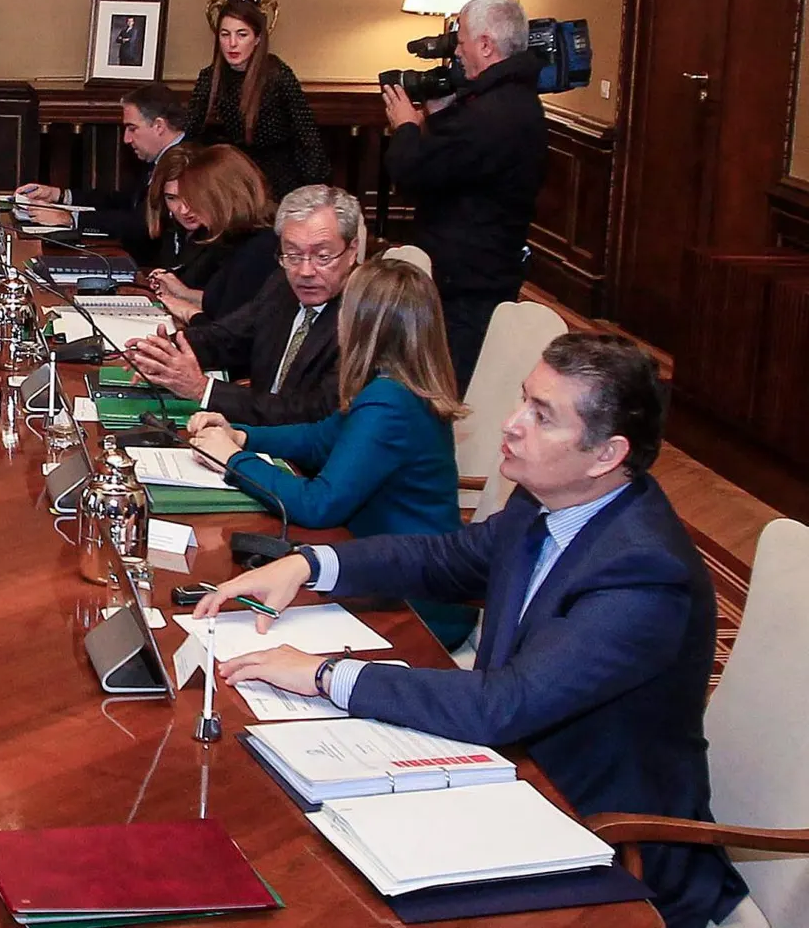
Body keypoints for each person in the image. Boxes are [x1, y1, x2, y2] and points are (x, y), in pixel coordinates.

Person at [199, 333, 748, 928]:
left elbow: (502, 704)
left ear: (606, 455)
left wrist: (326, 673)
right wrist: (310, 564)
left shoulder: (643, 573)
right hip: (509, 773)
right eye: (523, 402)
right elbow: (445, 559)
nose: (511, 425)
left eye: (542, 417)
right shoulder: (546, 501)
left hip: (603, 837)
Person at [186, 257, 477, 648]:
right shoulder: (389, 385)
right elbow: (317, 438)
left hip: (415, 604)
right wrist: (242, 437)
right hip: (375, 568)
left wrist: (234, 462)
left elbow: (319, 505)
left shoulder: (390, 402)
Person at [383, 0, 548, 392]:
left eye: (462, 42)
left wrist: (406, 125)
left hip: (467, 280)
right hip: (485, 266)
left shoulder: (491, 115)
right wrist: (439, 116)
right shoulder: (513, 100)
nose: (456, 52)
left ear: (487, 45)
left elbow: (414, 172)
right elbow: (458, 165)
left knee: (447, 385)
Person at [127, 184, 360, 426]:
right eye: (292, 254)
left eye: (322, 257)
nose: (305, 271)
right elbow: (231, 336)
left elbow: (309, 412)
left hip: (299, 454)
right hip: (251, 431)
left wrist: (202, 389)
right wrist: (165, 350)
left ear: (352, 250)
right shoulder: (283, 283)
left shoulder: (367, 315)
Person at [14, 83, 189, 264]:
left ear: (159, 126)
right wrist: (60, 195)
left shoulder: (186, 161)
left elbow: (143, 224)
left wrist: (71, 219)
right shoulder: (159, 157)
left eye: (132, 128)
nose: (126, 139)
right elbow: (124, 201)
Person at [183, 0, 330, 202]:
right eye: (225, 35)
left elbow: (307, 137)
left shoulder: (277, 75)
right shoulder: (209, 77)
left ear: (257, 38)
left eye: (241, 35)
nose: (232, 43)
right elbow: (190, 133)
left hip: (278, 180)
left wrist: (314, 194)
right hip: (233, 179)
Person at [143, 145, 280, 325]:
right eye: (172, 198)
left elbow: (229, 338)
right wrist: (184, 294)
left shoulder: (259, 249)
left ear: (227, 195)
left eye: (197, 197)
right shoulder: (232, 238)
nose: (184, 209)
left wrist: (188, 312)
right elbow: (224, 303)